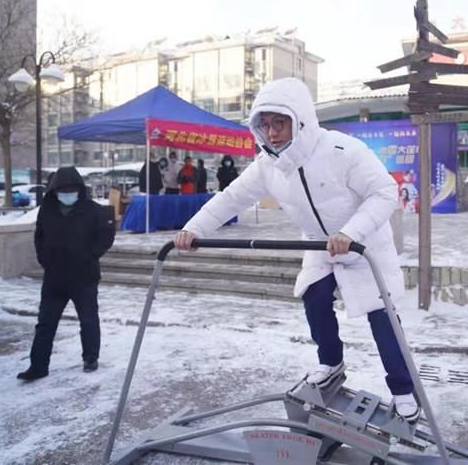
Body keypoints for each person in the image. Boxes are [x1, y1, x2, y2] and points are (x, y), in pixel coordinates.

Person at [174, 77, 421, 422]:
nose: (272, 133)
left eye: (280, 123)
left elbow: (383, 192)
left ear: (300, 120)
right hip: (320, 245)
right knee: (315, 296)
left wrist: (351, 232)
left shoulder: (342, 150)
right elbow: (231, 198)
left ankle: (403, 390)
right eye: (265, 125)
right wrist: (194, 229)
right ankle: (331, 362)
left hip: (364, 243)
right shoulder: (268, 165)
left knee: (381, 318)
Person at [17, 166, 116, 381]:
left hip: (84, 277)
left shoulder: (93, 211)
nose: (67, 194)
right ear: (55, 191)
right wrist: (45, 260)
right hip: (54, 278)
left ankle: (90, 357)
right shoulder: (47, 210)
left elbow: (106, 236)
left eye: (72, 190)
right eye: (63, 190)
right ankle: (38, 365)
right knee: (45, 323)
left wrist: (90, 255)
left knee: (88, 320)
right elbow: (39, 237)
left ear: (80, 190)